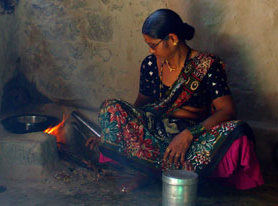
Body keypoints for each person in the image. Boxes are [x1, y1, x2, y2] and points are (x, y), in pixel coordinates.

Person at [86, 8, 264, 192]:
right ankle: (151, 172)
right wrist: (112, 128)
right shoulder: (149, 65)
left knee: (239, 131)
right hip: (155, 134)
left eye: (153, 44)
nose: (150, 50)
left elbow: (227, 111)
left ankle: (153, 173)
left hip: (195, 137)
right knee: (111, 107)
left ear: (172, 39)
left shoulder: (207, 66)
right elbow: (141, 105)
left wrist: (188, 135)